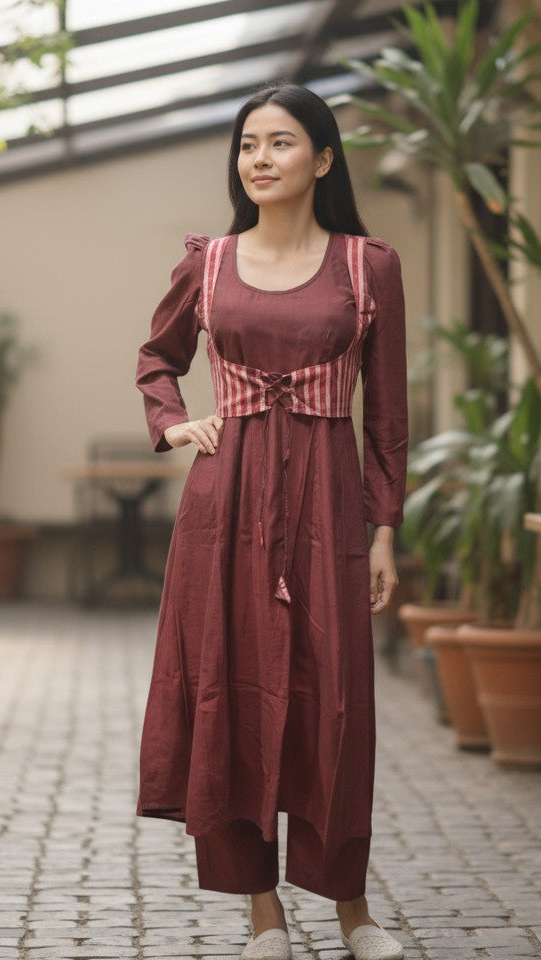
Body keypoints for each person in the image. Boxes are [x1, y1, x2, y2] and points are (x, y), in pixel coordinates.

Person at [135, 81, 408, 960]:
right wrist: (175, 424)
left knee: (334, 700)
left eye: (281, 142)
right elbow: (157, 360)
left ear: (324, 159)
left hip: (327, 503)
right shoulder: (208, 262)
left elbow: (389, 416)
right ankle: (263, 915)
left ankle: (354, 911)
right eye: (249, 143)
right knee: (233, 692)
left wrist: (385, 531)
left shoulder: (371, 268)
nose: (260, 158)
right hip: (226, 503)